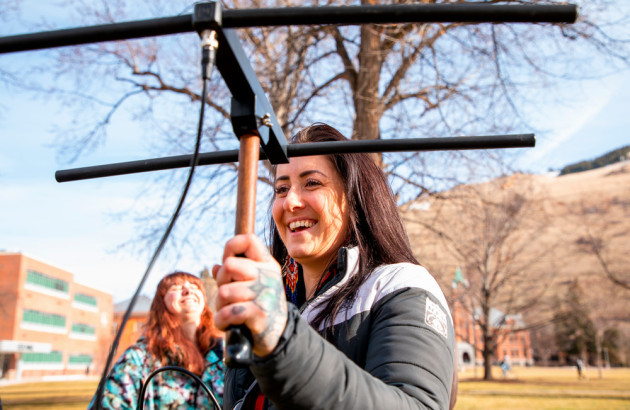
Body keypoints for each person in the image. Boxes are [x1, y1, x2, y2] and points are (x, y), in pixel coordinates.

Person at [213, 124, 457, 409]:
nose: (290, 201)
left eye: (312, 183)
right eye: (281, 188)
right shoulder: (273, 301)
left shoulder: (401, 286)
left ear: (354, 198)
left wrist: (282, 338)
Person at [89, 271, 225, 409]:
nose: (188, 290)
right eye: (176, 287)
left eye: (195, 287)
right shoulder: (140, 358)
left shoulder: (226, 355)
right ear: (161, 302)